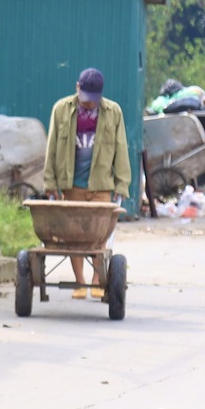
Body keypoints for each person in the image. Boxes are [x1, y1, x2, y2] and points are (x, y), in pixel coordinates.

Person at [44, 67, 131, 300]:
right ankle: (80, 282)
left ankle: (98, 281)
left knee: (100, 236)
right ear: (77, 88)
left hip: (101, 184)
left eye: (94, 100)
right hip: (72, 184)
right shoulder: (61, 110)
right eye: (86, 99)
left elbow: (121, 149)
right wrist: (50, 182)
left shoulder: (113, 112)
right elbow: (51, 147)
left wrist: (122, 184)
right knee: (75, 237)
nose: (90, 105)